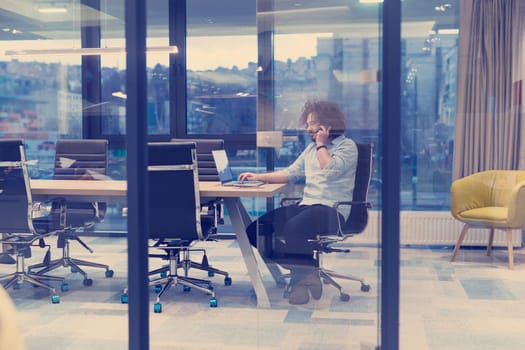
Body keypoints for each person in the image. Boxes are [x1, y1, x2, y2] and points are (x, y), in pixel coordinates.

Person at [239, 100, 358, 305]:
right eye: (309, 123)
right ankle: (306, 270)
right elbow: (290, 173)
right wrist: (258, 177)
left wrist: (321, 144)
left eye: (313, 123)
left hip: (332, 210)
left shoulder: (347, 146)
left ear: (327, 125)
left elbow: (330, 171)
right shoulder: (311, 149)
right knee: (255, 229)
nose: (308, 128)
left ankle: (299, 284)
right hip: (308, 205)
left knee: (294, 227)